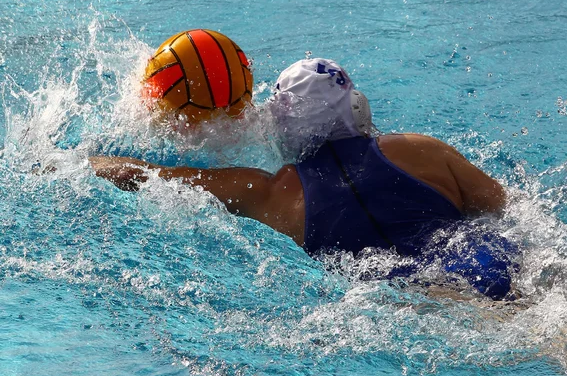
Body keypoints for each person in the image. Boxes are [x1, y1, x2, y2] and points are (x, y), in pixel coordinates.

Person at [90, 58, 517, 300]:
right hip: (485, 261)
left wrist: (71, 162)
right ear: (355, 106)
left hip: (398, 300)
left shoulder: (271, 193)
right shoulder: (421, 149)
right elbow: (507, 210)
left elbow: (145, 175)